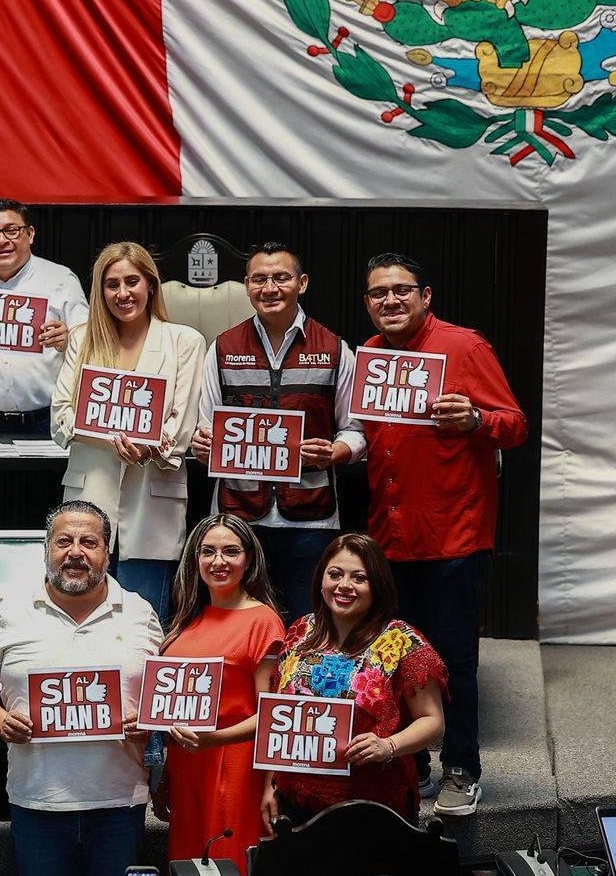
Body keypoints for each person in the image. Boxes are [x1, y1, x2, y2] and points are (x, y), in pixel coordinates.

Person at [359, 251, 526, 816]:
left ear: (425, 296)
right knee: (396, 659)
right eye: (378, 293)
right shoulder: (371, 355)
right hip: (389, 535)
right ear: (367, 303)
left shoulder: (464, 346)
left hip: (454, 535)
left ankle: (462, 769)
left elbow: (515, 426)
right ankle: (412, 767)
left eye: (401, 290)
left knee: (453, 659)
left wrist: (475, 420)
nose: (390, 300)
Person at [0, 501, 162, 876]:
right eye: (64, 541)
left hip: (120, 802)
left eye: (89, 542)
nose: (75, 552)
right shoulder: (11, 613)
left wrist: (150, 721)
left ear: (107, 552)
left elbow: (164, 694)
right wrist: (1, 721)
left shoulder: (140, 612)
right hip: (38, 802)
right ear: (47, 549)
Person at [189, 242, 365, 621]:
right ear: (246, 285)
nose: (270, 288)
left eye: (281, 278)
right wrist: (202, 444)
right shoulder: (222, 348)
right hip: (239, 519)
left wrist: (335, 452)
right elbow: (205, 427)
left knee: (307, 623)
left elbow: (356, 432)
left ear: (302, 283)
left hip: (311, 518)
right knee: (240, 622)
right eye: (260, 279)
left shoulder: (335, 349)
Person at [50, 241, 204, 625]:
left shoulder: (185, 341)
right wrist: (110, 435)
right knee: (80, 623)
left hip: (153, 503)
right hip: (89, 495)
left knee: (143, 627)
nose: (123, 293)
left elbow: (181, 425)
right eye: (112, 284)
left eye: (131, 281)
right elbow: (60, 418)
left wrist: (148, 448)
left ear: (151, 284)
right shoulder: (82, 337)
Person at [262, 533, 447, 830]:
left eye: (359, 578)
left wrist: (389, 745)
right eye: (335, 574)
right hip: (296, 798)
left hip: (373, 802)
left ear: (378, 585)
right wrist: (270, 784)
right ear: (321, 579)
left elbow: (433, 721)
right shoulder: (300, 631)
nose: (344, 585)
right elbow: (280, 718)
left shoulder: (401, 640)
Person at [155, 514, 285, 875]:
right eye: (208, 551)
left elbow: (274, 715)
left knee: (228, 862)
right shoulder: (188, 618)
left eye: (231, 551)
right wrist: (166, 775)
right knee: (187, 865)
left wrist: (271, 785)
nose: (218, 561)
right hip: (186, 765)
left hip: (235, 764)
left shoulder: (263, 621)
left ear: (249, 559)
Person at [0, 198, 87, 436]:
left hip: (46, 420)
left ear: (30, 234)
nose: (1, 240)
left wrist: (69, 340)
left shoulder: (61, 279)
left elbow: (90, 340)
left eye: (12, 230)